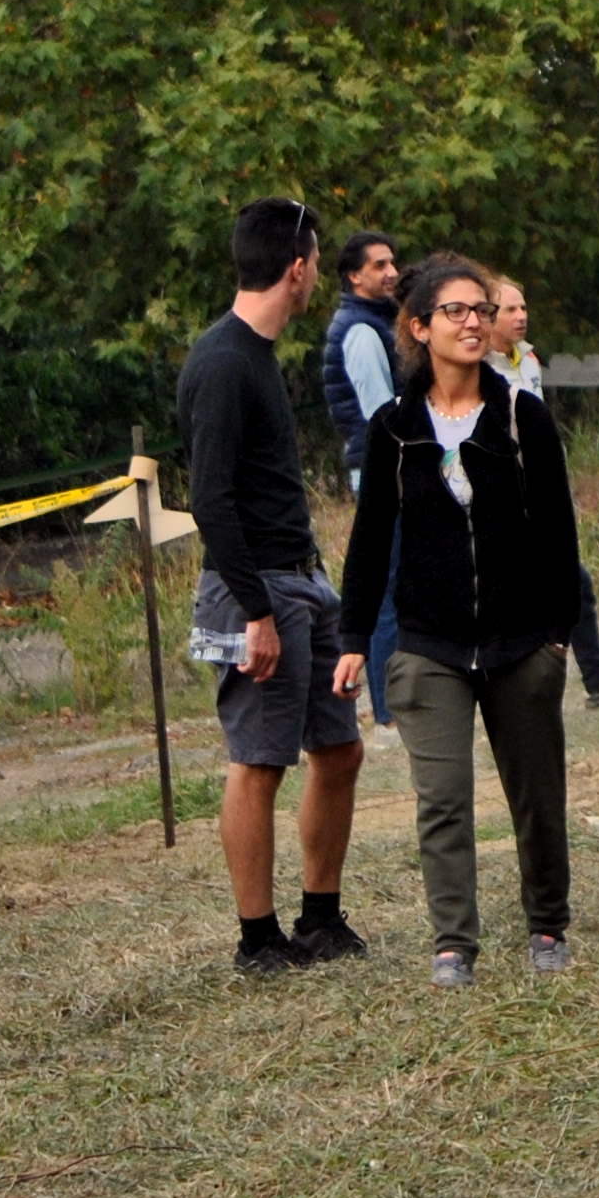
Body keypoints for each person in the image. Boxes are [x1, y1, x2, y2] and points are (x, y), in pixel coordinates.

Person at [335, 252, 587, 988]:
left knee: (536, 799)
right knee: (443, 801)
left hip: (522, 643)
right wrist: (353, 638)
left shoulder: (521, 416)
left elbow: (559, 532)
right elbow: (370, 541)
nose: (474, 322)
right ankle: (453, 944)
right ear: (419, 327)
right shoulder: (393, 428)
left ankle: (547, 924)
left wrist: (557, 634)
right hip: (429, 646)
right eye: (456, 311)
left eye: (482, 309)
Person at [178, 197, 368, 975]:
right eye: (317, 261)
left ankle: (319, 919)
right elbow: (210, 499)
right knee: (259, 762)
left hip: (303, 582)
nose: (317, 274)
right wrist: (255, 612)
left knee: (340, 749)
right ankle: (257, 940)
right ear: (296, 269)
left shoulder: (259, 355)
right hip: (254, 591)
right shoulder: (223, 362)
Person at [481, 266, 599, 710]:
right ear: (488, 316)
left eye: (523, 307)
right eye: (509, 309)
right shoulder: (479, 370)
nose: (521, 316)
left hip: (537, 493)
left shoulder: (528, 361)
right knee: (547, 588)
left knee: (573, 583)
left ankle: (596, 682)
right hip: (504, 499)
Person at [315, 232, 405, 727]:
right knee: (386, 586)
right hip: (381, 470)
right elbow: (379, 415)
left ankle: (399, 700)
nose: (391, 272)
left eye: (392, 263)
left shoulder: (378, 322)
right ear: (354, 276)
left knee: (396, 581)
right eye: (379, 265)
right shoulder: (362, 332)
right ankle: (390, 707)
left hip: (383, 467)